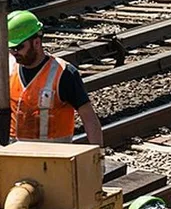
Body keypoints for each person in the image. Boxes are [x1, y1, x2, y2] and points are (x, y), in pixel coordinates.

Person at [7, 10, 103, 145]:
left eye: (19, 47)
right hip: (17, 158)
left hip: (54, 159)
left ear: (36, 42)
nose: (14, 53)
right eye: (11, 48)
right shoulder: (9, 69)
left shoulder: (63, 74)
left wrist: (97, 158)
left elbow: (89, 119)